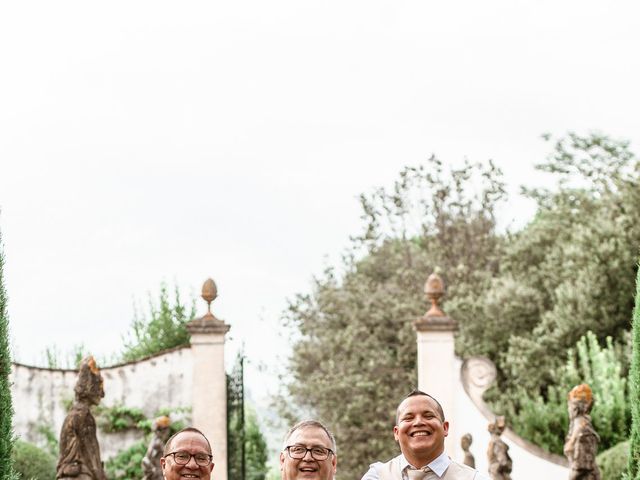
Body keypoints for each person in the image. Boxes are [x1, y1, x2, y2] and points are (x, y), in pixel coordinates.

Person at [361, 390, 489, 480]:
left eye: (428, 416)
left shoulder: (473, 478)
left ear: (445, 428)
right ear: (396, 433)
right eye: (408, 418)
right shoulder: (377, 477)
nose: (418, 422)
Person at [57, 356, 107, 480]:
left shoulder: (72, 415)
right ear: (90, 388)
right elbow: (92, 456)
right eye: (99, 386)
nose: (102, 394)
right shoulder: (84, 417)